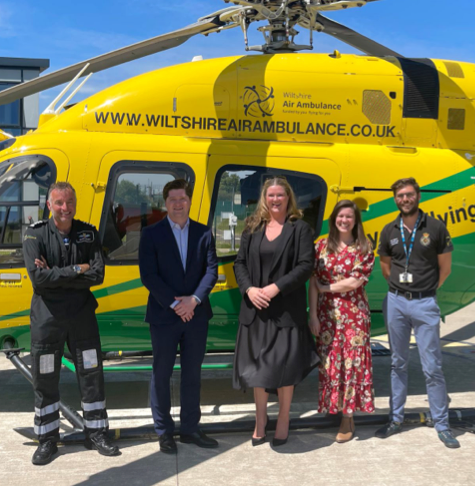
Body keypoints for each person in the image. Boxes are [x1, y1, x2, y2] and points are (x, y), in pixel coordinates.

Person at [22, 182, 120, 466]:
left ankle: (97, 433)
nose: (65, 208)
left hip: (82, 317)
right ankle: (48, 439)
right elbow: (38, 279)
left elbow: (98, 275)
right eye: (59, 203)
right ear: (49, 205)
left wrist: (55, 274)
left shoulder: (88, 233)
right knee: (45, 378)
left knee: (91, 373)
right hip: (47, 319)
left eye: (70, 202)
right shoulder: (35, 234)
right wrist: (78, 269)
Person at [233, 176, 320, 447]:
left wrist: (275, 288)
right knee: (257, 369)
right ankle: (261, 420)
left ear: (288, 198)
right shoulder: (252, 226)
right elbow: (239, 264)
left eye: (280, 195)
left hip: (285, 312)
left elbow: (305, 266)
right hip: (255, 309)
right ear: (264, 198)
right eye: (270, 195)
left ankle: (283, 418)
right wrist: (249, 290)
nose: (275, 200)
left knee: (284, 369)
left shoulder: (300, 229)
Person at [375, 177, 459, 448]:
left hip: (425, 304)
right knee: (397, 363)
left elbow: (445, 268)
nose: (405, 199)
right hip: (397, 302)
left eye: (409, 194)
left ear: (418, 196)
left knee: (432, 367)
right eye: (400, 196)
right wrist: (401, 290)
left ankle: (442, 424)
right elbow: (386, 267)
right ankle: (395, 419)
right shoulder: (389, 229)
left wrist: (426, 290)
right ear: (395, 199)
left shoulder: (434, 227)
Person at [139, 179, 218, 454]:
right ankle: (164, 431)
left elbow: (211, 271)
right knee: (161, 373)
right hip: (164, 315)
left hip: (196, 315)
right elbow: (148, 275)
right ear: (165, 203)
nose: (177, 204)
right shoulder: (151, 234)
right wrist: (176, 304)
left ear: (189, 201)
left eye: (182, 198)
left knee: (192, 374)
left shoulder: (204, 233)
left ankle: (190, 429)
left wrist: (194, 301)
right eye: (172, 199)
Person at [309, 200, 375, 443]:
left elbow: (354, 283)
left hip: (354, 317)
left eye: (349, 216)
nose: (344, 220)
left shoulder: (364, 247)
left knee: (352, 365)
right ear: (333, 219)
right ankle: (335, 407)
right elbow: (312, 282)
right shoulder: (321, 247)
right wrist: (313, 315)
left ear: (356, 220)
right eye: (340, 216)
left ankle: (348, 417)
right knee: (331, 364)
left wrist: (326, 287)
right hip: (327, 317)